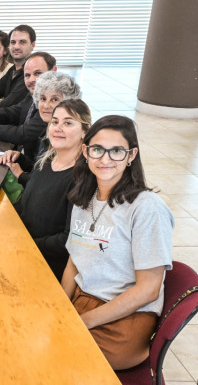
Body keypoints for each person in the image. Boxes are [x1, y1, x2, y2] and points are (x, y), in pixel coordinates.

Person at [62, 115, 173, 370]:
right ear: (85, 151)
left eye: (117, 151)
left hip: (123, 320)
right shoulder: (84, 198)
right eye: (98, 149)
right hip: (83, 302)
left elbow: (148, 290)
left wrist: (82, 322)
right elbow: (74, 262)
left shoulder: (147, 208)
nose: (105, 159)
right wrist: (59, 308)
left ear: (131, 155)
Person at [13, 99, 91, 281]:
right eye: (55, 122)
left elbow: (68, 239)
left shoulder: (82, 177)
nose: (58, 128)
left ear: (85, 132)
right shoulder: (45, 161)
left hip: (48, 265)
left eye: (68, 123)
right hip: (23, 247)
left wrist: (27, 244)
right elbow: (26, 203)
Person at [0, 71, 82, 185]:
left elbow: (47, 185)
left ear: (68, 102)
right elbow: (39, 169)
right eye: (43, 98)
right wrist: (20, 158)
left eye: (54, 99)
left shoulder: (64, 138)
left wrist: (20, 175)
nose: (46, 105)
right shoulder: (47, 131)